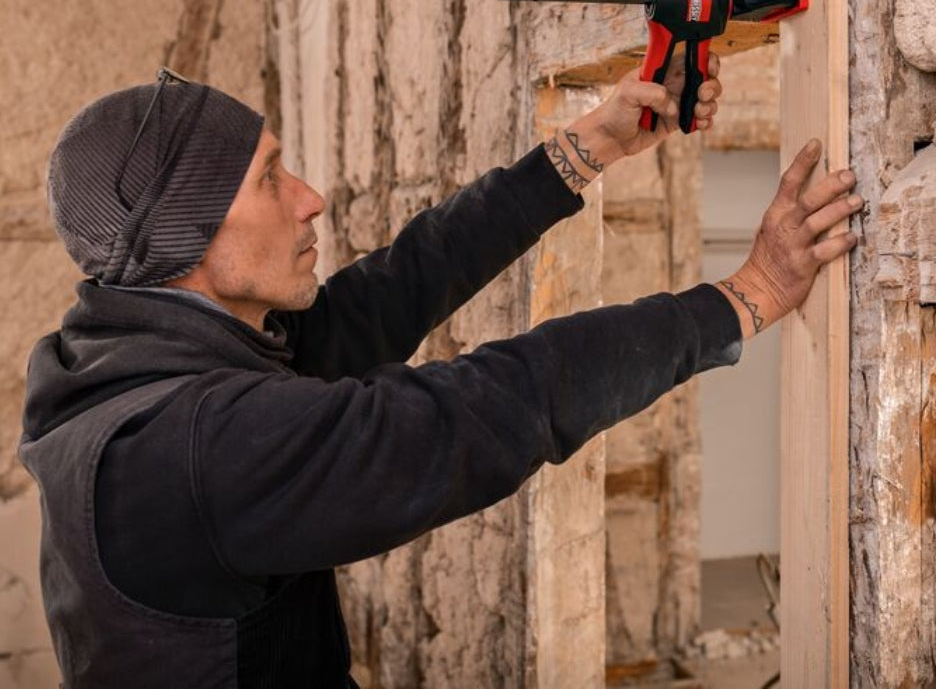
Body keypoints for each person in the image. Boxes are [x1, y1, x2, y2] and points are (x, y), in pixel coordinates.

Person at [20, 59, 861, 689]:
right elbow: (489, 406)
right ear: (187, 235)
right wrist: (747, 294)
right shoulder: (185, 450)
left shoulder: (131, 357)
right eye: (269, 178)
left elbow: (394, 289)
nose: (309, 198)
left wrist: (591, 147)